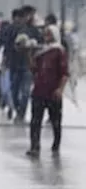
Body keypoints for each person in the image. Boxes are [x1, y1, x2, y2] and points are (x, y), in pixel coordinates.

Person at [27, 25, 70, 157]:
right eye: (45, 34)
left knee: (56, 121)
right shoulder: (40, 52)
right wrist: (29, 54)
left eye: (49, 34)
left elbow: (64, 73)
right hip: (39, 90)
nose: (46, 37)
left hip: (53, 91)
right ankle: (35, 146)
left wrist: (60, 89)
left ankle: (56, 145)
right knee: (35, 120)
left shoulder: (59, 51)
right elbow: (34, 69)